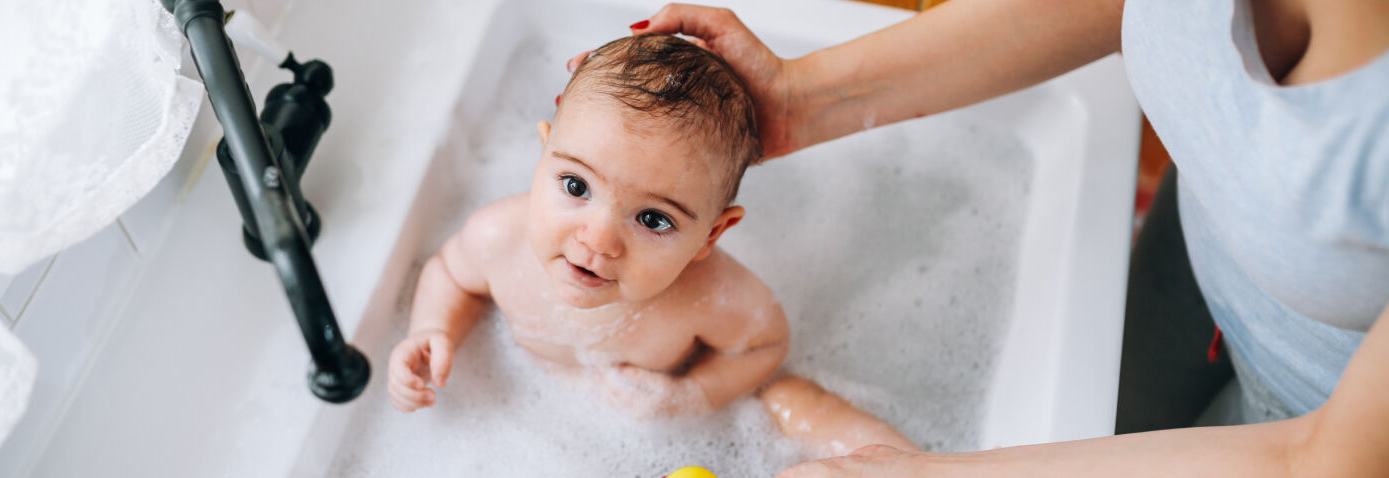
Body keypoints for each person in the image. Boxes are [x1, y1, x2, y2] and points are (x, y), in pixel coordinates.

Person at [567, 1, 1389, 476]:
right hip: (1203, 258)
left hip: (1325, 424)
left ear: (717, 235)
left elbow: (1329, 460)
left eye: (652, 219)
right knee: (1110, 399)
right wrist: (798, 97)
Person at [387, 34, 789, 418]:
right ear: (543, 154)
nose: (598, 240)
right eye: (576, 186)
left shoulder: (710, 294)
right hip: (512, 409)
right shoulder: (498, 237)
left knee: (798, 405)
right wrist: (433, 330)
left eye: (653, 219)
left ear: (712, 234)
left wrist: (691, 396)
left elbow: (765, 345)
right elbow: (452, 275)